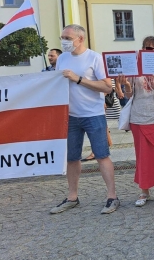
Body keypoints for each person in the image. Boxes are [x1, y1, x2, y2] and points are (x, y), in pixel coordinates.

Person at [50, 24, 119, 214]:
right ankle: (72, 196)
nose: (63, 41)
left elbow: (107, 88)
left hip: (93, 114)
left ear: (80, 39)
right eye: (62, 37)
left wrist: (79, 79)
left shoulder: (95, 58)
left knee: (102, 155)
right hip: (70, 116)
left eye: (67, 38)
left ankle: (112, 196)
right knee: (72, 158)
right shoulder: (62, 58)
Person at [118, 36, 154, 206]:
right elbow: (129, 95)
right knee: (143, 156)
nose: (152, 51)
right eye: (148, 48)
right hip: (139, 117)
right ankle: (144, 190)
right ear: (142, 49)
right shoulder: (134, 64)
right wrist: (126, 85)